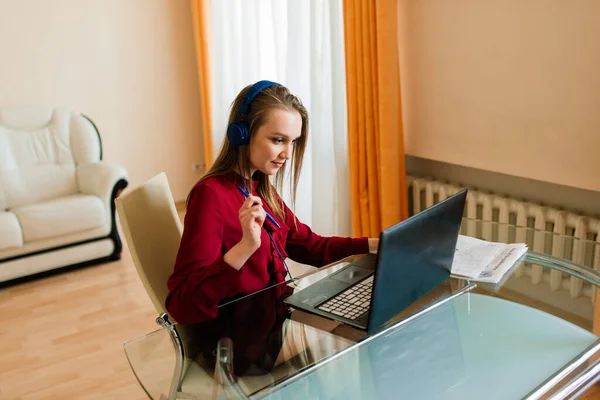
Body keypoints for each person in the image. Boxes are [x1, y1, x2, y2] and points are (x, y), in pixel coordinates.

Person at [166, 80, 379, 324]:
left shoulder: (260, 190)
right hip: (239, 338)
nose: (288, 154)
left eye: (293, 142)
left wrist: (377, 244)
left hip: (274, 321)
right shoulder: (210, 195)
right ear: (241, 135)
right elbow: (182, 305)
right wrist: (245, 247)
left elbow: (312, 247)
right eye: (278, 140)